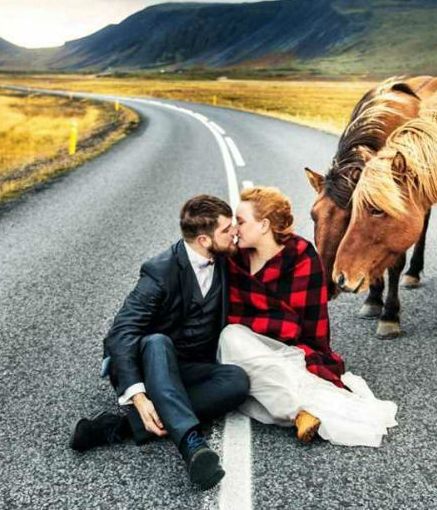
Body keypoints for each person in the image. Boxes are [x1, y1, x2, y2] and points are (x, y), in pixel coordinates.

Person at [70, 195, 250, 491]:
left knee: (237, 381)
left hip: (190, 365)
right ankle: (192, 445)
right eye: (228, 228)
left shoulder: (225, 259)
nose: (236, 233)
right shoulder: (159, 271)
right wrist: (139, 397)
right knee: (155, 341)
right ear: (204, 239)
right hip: (151, 363)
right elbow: (122, 332)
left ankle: (122, 426)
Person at [219, 185, 397, 447]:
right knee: (231, 338)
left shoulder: (301, 256)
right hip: (250, 345)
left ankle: (293, 409)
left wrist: (270, 334)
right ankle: (299, 412)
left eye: (241, 221)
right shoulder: (236, 259)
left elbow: (304, 324)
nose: (234, 229)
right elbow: (228, 310)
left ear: (264, 225)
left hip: (293, 347)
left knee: (234, 343)